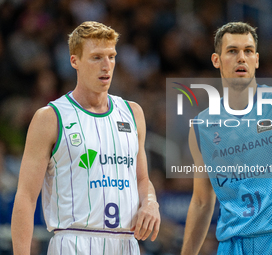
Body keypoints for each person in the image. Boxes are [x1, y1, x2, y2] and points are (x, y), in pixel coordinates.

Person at [11, 21, 160, 255]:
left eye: (111, 56)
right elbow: (26, 197)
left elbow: (142, 179)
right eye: (96, 57)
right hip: (73, 243)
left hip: (126, 244)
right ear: (75, 61)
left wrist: (151, 202)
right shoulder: (50, 118)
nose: (106, 65)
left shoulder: (133, 113)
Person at [181, 21, 272, 255]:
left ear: (257, 59)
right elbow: (202, 201)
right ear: (216, 60)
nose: (241, 58)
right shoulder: (201, 127)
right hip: (232, 245)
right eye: (232, 51)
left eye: (248, 51)